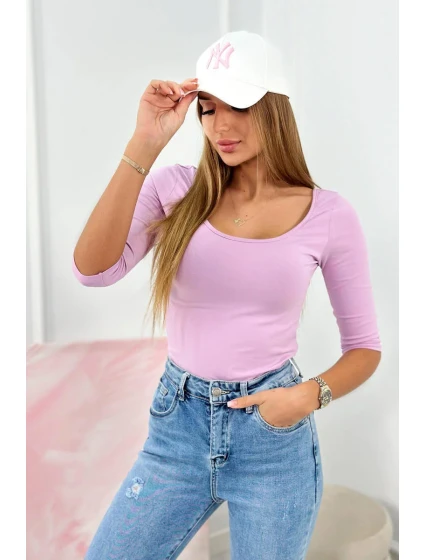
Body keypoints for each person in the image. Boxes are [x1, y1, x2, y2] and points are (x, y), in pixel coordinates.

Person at [73, 30, 382, 560]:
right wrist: (145, 142)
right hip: (178, 426)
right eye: (208, 109)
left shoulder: (329, 214)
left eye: (237, 105)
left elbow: (365, 348)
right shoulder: (177, 189)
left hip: (272, 438)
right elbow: (92, 270)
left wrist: (304, 398)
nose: (220, 126)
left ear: (274, 105)